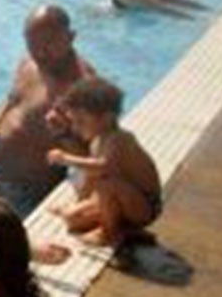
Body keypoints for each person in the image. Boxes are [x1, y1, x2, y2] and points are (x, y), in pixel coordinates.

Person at [0, 5, 96, 215]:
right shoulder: (30, 62)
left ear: (71, 37)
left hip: (32, 195)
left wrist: (63, 134)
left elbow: (95, 161)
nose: (41, 53)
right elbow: (12, 98)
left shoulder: (82, 90)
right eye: (33, 45)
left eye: (49, 43)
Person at [50, 76, 162, 249]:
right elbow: (91, 176)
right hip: (125, 202)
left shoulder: (120, 140)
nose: (75, 128)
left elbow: (103, 166)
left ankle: (109, 233)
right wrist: (78, 205)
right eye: (73, 122)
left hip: (145, 206)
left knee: (105, 184)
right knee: (73, 220)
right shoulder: (97, 140)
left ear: (107, 118)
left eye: (81, 121)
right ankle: (126, 229)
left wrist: (66, 159)